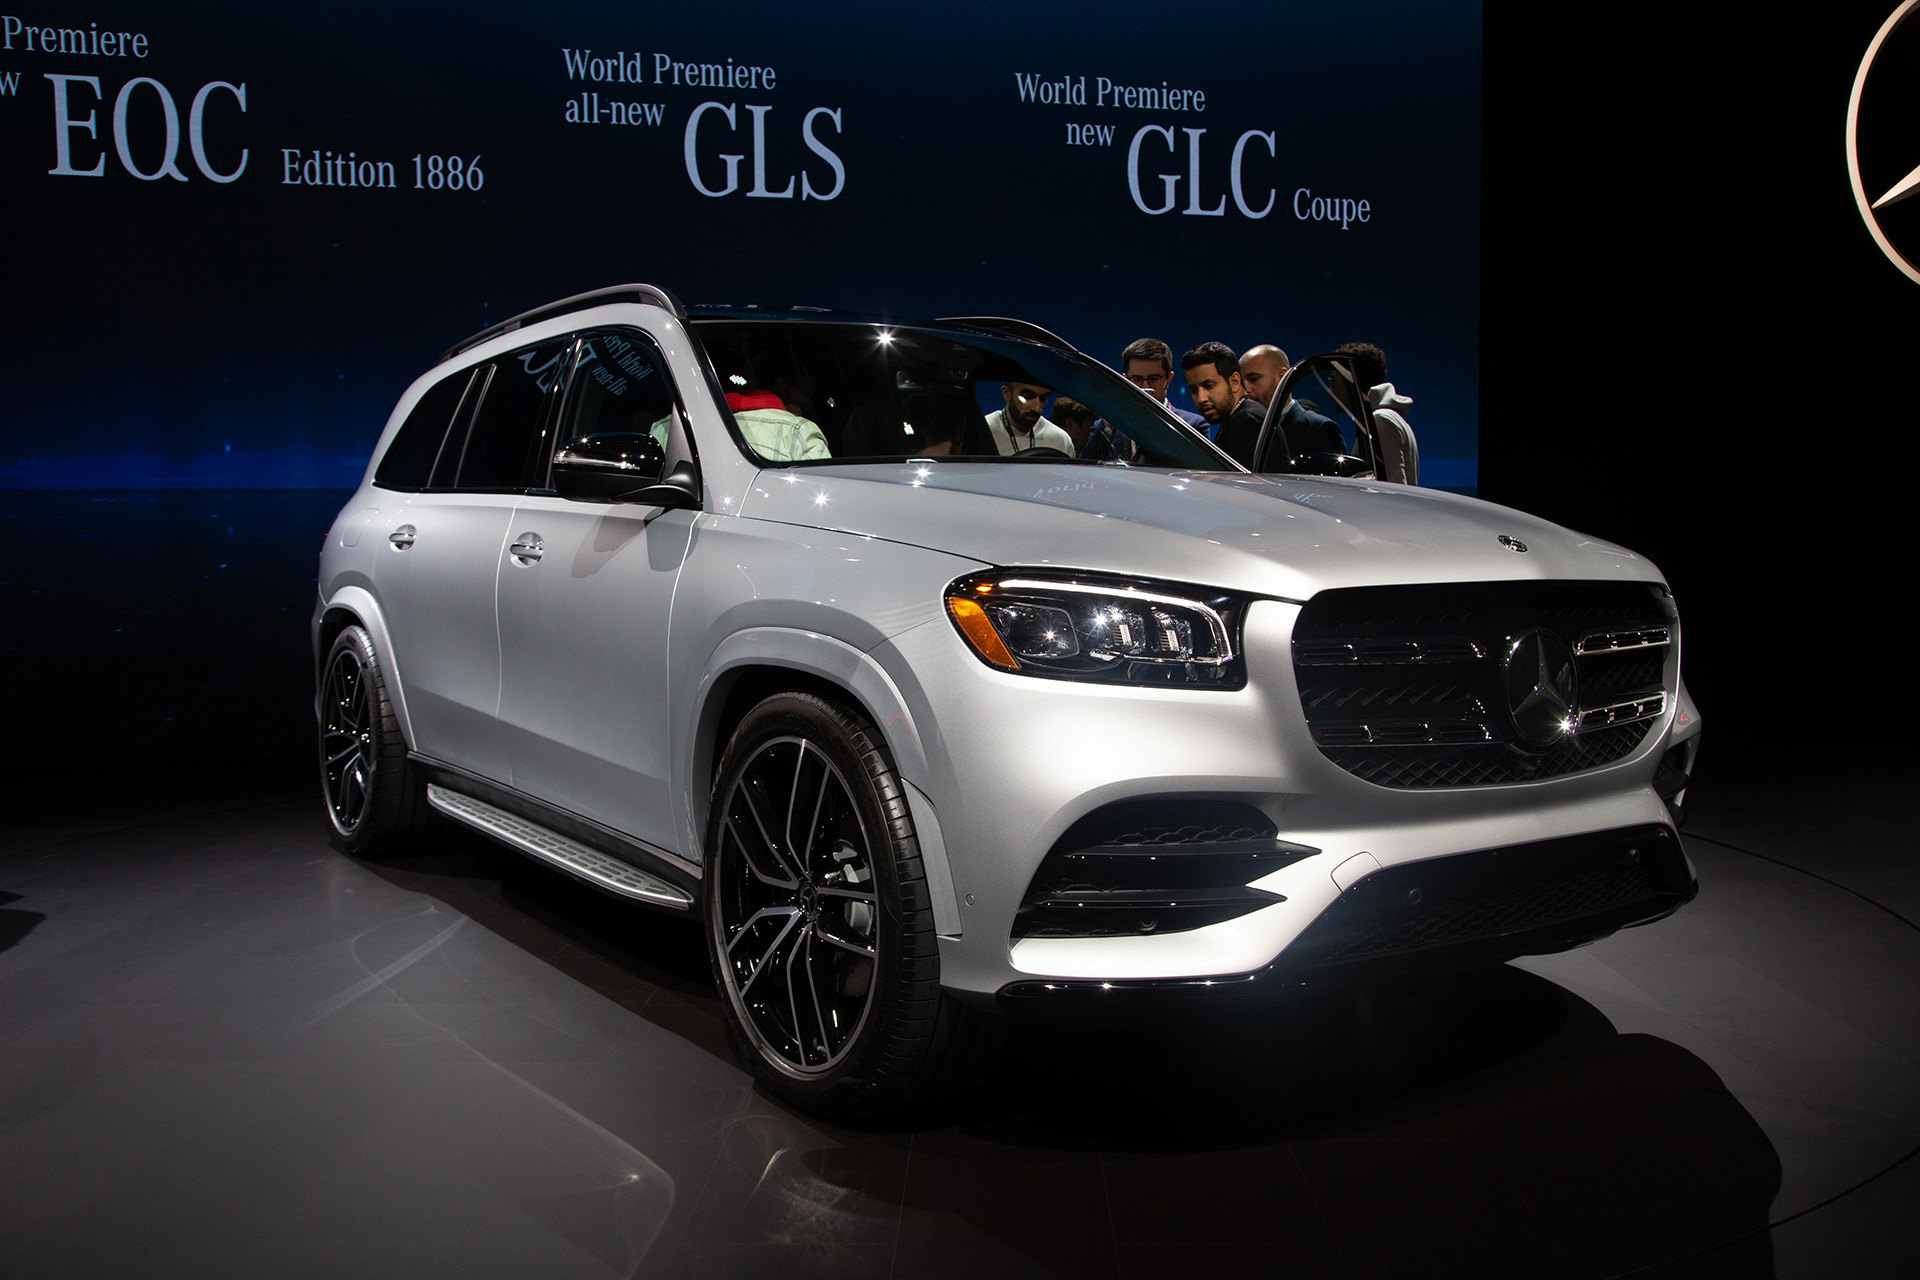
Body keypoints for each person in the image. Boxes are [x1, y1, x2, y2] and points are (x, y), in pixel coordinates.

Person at [1084, 337, 1206, 461]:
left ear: (1168, 379)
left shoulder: (1192, 426)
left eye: (1154, 379)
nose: (1145, 386)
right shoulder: (1107, 425)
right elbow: (1087, 465)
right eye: (1137, 379)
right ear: (1125, 380)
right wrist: (1108, 426)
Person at [1182, 341, 1278, 469]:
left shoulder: (1249, 421)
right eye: (1194, 390)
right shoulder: (1237, 420)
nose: (1201, 398)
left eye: (1209, 386)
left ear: (1234, 382)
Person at [1240, 343, 1345, 460]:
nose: (1246, 389)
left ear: (1282, 376)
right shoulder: (1243, 430)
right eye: (1242, 383)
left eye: (1253, 379)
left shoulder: (1319, 429)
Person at [1333, 341, 1417, 484]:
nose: (1331, 389)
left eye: (1334, 380)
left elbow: (1393, 488)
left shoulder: (1380, 421)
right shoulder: (1384, 418)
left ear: (1352, 380)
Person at [985, 381, 1074, 455]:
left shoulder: (1061, 440)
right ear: (1007, 393)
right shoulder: (983, 432)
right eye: (1027, 397)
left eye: (1043, 398)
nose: (1037, 408)